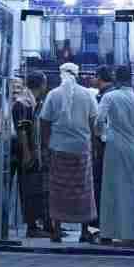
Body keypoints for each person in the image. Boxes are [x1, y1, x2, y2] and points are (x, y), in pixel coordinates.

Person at [40, 62, 98, 243]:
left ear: (61, 75)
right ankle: (84, 231)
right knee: (83, 191)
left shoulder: (53, 94)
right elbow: (94, 123)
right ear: (76, 75)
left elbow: (44, 122)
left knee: (58, 190)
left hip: (58, 149)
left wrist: (45, 145)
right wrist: (94, 146)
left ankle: (57, 231)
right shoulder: (88, 95)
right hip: (81, 149)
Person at [97, 65, 134, 245]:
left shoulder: (109, 97)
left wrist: (103, 135)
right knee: (133, 188)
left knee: (110, 188)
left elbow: (99, 119)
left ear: (116, 79)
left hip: (114, 146)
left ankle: (107, 232)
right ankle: (131, 233)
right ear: (131, 79)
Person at [12, 70, 50, 238]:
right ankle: (32, 227)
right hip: (25, 152)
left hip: (31, 150)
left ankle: (37, 225)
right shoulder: (24, 103)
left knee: (34, 188)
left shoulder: (31, 101)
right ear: (41, 84)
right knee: (29, 188)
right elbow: (22, 130)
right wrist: (27, 153)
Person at [92, 65, 115, 227]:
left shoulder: (106, 96)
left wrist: (97, 136)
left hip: (105, 145)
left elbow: (100, 121)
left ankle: (100, 222)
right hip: (111, 144)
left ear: (99, 77)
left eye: (94, 76)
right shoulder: (108, 94)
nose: (92, 79)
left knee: (100, 182)